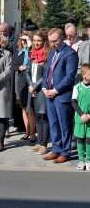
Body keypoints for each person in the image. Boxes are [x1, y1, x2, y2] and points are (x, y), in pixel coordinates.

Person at [42, 28, 79, 163]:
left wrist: (55, 91)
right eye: (51, 41)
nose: (53, 44)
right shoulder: (52, 53)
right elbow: (47, 73)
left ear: (62, 38)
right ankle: (56, 150)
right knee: (54, 124)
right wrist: (44, 88)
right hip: (49, 95)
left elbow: (70, 77)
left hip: (62, 96)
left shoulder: (70, 54)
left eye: (55, 41)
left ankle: (65, 152)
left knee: (64, 125)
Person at [25, 30, 51, 155]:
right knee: (37, 117)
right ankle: (39, 142)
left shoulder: (47, 55)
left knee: (44, 117)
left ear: (44, 41)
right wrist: (30, 85)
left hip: (42, 90)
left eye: (39, 40)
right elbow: (27, 71)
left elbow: (46, 74)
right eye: (34, 40)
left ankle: (44, 144)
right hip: (33, 90)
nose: (36, 43)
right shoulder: (32, 53)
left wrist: (35, 85)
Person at [13, 32, 36, 142]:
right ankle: (27, 130)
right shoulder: (19, 52)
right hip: (21, 79)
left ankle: (32, 132)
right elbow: (13, 65)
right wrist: (19, 68)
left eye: (26, 39)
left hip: (31, 80)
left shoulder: (33, 50)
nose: (24, 42)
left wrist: (30, 43)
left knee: (29, 107)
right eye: (22, 39)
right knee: (23, 107)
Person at [72, 64, 90, 170]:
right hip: (80, 118)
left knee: (89, 140)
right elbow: (74, 102)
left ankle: (88, 160)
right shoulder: (77, 87)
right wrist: (82, 114)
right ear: (83, 75)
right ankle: (81, 160)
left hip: (89, 118)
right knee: (80, 139)